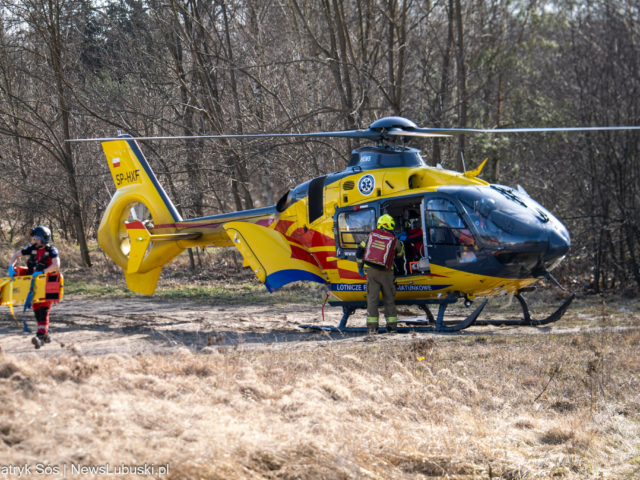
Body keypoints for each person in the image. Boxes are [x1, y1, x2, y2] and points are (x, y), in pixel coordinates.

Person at [8, 226, 60, 349]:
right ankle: (45, 335)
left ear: (44, 239)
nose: (35, 241)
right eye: (35, 238)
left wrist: (44, 271)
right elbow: (16, 255)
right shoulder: (31, 248)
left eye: (37, 239)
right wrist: (11, 266)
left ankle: (40, 337)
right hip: (32, 285)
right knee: (37, 310)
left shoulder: (52, 250)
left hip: (47, 284)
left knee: (44, 310)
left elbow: (56, 264)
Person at [356, 214, 405, 334]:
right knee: (389, 301)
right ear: (391, 225)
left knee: (372, 301)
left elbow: (359, 252)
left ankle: (372, 329)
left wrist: (360, 268)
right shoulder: (395, 241)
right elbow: (400, 257)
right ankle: (392, 328)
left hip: (371, 273)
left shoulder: (370, 237)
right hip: (387, 273)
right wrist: (401, 272)